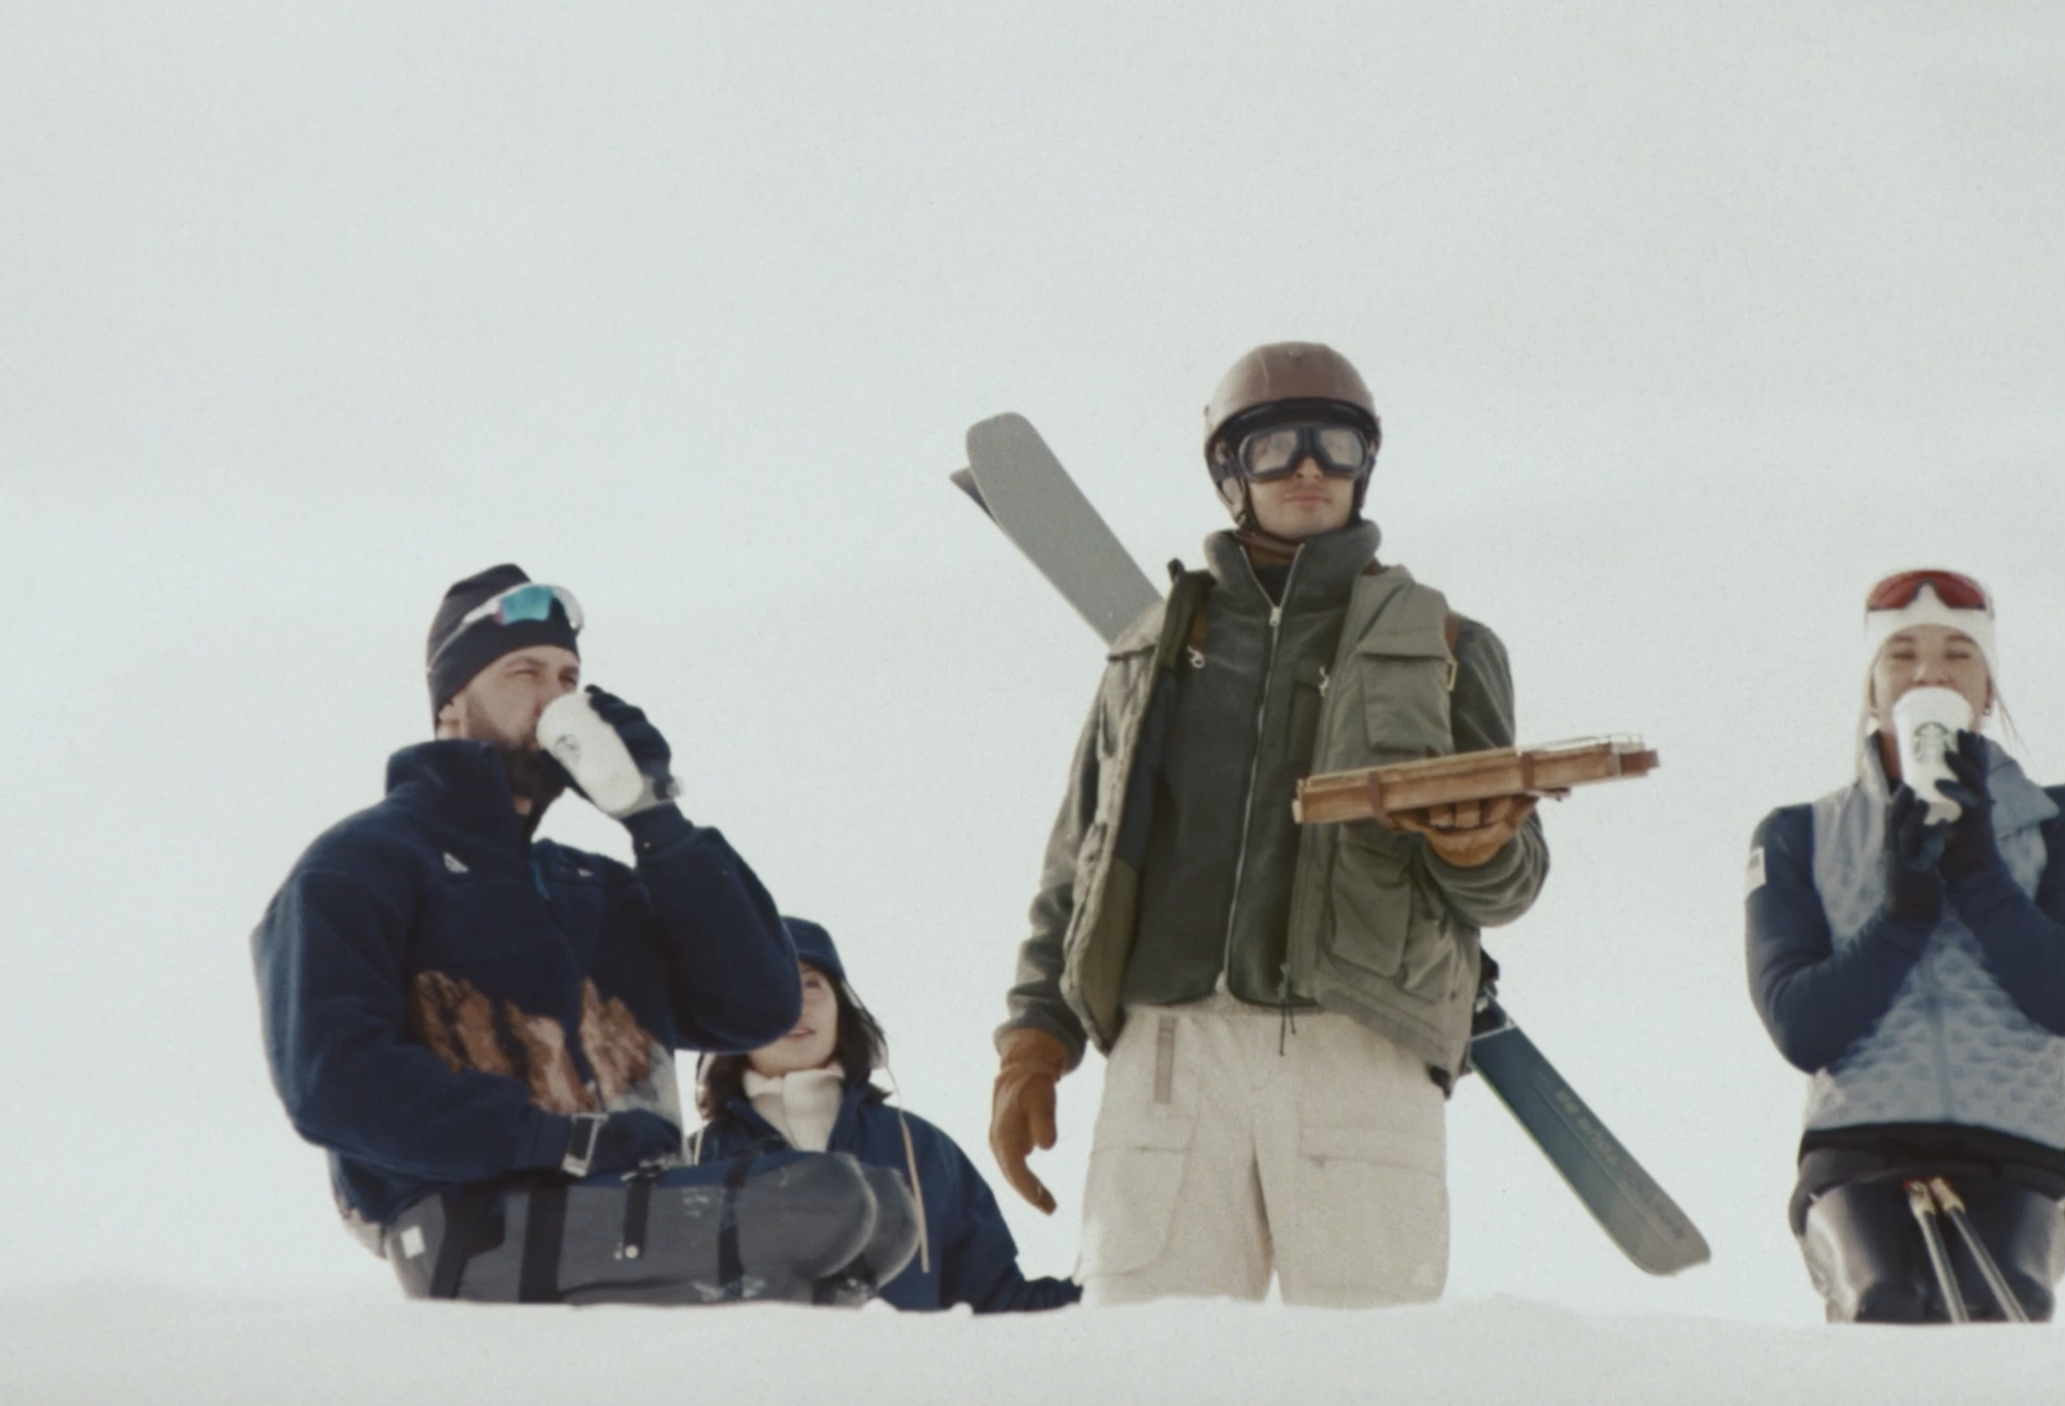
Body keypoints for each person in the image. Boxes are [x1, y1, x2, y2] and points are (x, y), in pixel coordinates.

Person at [990, 342, 1549, 1307]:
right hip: (1170, 1047)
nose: (1306, 468)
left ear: (1363, 466)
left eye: (1333, 445)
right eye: (1273, 447)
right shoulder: (1149, 650)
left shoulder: (1449, 645)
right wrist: (1033, 1043)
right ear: (1228, 475)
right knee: (1150, 1365)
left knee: (1367, 1369)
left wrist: (1480, 843)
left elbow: (1513, 882)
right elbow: (1078, 864)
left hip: (1360, 1043)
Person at [253, 564, 916, 1304]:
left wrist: (655, 819)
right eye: (524, 673)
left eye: (569, 677)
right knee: (827, 1203)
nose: (555, 698)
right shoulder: (363, 864)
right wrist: (554, 1142)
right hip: (467, 1222)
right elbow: (333, 1082)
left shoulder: (593, 886)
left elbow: (756, 1005)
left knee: (886, 1214)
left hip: (629, 1211)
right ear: (450, 707)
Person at [1745, 568, 2065, 1323]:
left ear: (1987, 691)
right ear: (1872, 692)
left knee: (1999, 1304)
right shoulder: (1799, 835)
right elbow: (1799, 1025)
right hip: (1858, 1151)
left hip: (2017, 1153)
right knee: (1884, 1302)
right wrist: (1903, 911)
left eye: (1958, 654)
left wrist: (1980, 870)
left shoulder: (2063, 820)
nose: (1929, 673)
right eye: (1900, 655)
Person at [693, 918, 1082, 1313]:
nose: (795, 1000)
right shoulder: (688, 1162)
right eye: (767, 984)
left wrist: (1117, 1277)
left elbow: (999, 1309)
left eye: (811, 984)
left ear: (843, 1011)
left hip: (902, 1376)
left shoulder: (923, 1150)